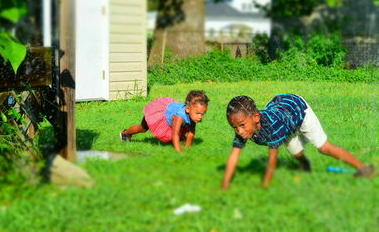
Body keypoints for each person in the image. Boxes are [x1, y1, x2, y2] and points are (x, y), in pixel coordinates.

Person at [222, 94, 375, 189]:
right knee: (296, 153)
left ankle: (364, 168)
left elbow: (273, 159)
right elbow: (234, 156)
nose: (239, 131)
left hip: (298, 109)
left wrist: (265, 185)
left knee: (324, 148)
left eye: (242, 125)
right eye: (234, 127)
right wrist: (225, 184)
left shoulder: (273, 128)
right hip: (282, 113)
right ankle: (306, 166)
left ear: (256, 118)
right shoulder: (242, 129)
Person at [120, 90, 209, 153]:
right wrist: (179, 152)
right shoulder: (179, 116)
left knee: (185, 131)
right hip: (158, 113)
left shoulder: (193, 116)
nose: (200, 117)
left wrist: (187, 149)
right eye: (198, 113)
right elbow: (175, 134)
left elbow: (191, 133)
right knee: (142, 128)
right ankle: (126, 133)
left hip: (172, 116)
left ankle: (180, 142)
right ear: (188, 109)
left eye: (202, 114)